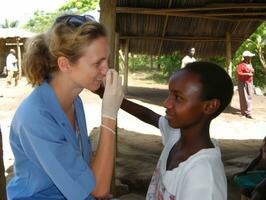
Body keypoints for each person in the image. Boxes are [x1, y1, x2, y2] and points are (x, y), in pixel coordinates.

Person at [6, 14, 124, 200]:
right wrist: (109, 116)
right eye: (97, 63)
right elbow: (98, 190)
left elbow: (84, 175)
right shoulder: (37, 117)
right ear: (65, 64)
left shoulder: (75, 102)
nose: (106, 70)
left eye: (106, 60)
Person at [97, 61, 233, 199]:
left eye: (178, 98)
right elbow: (148, 115)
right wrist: (103, 93)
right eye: (169, 94)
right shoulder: (176, 135)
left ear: (210, 106)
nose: (166, 103)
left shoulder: (203, 178)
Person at [236, 50, 255, 119]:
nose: (251, 58)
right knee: (243, 97)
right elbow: (239, 73)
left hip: (249, 82)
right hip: (242, 82)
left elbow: (252, 71)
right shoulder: (241, 64)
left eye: (251, 57)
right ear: (246, 57)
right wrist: (247, 74)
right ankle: (243, 113)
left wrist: (252, 70)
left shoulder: (250, 64)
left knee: (250, 96)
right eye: (249, 57)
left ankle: (249, 113)